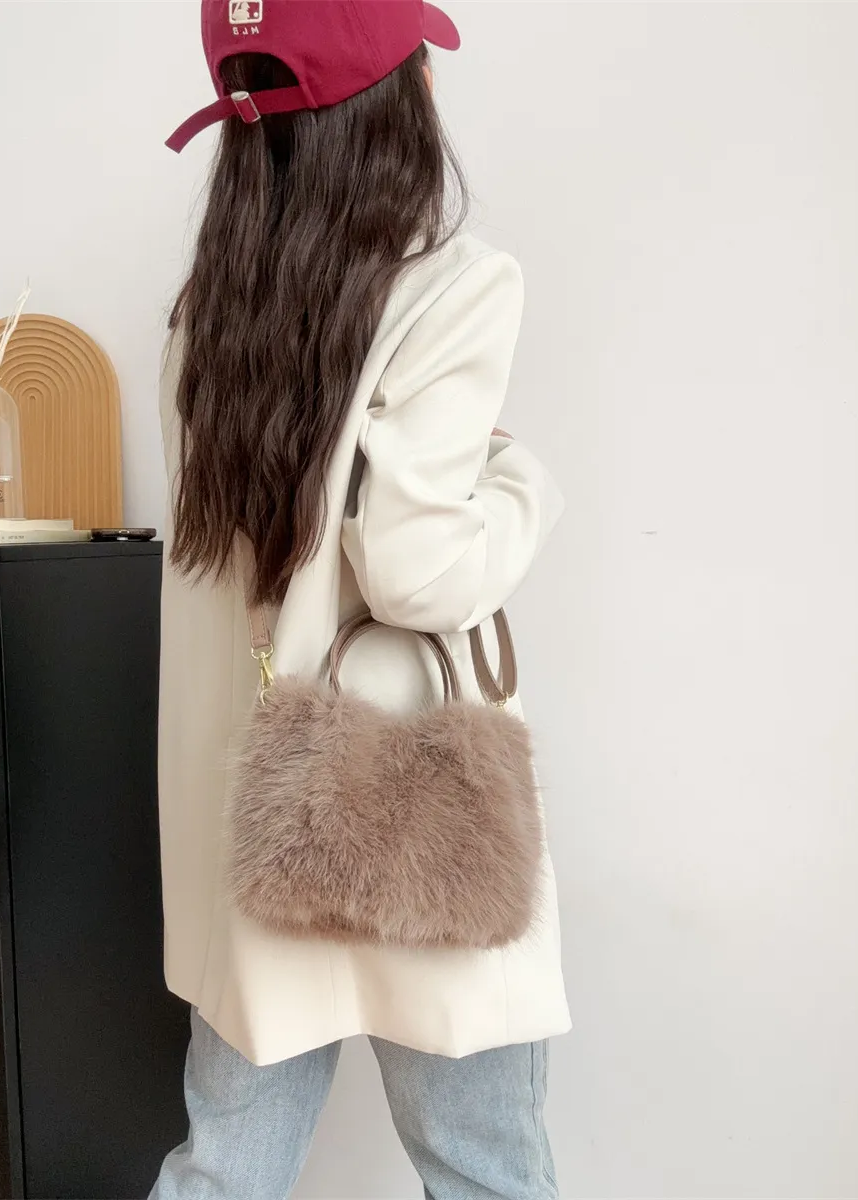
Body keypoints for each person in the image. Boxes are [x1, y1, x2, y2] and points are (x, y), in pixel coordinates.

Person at [151, 3, 570, 1197]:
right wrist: (520, 484)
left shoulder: (205, 318)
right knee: (484, 1164)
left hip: (259, 811)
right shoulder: (456, 288)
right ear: (395, 106)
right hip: (414, 801)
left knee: (224, 1168)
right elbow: (418, 571)